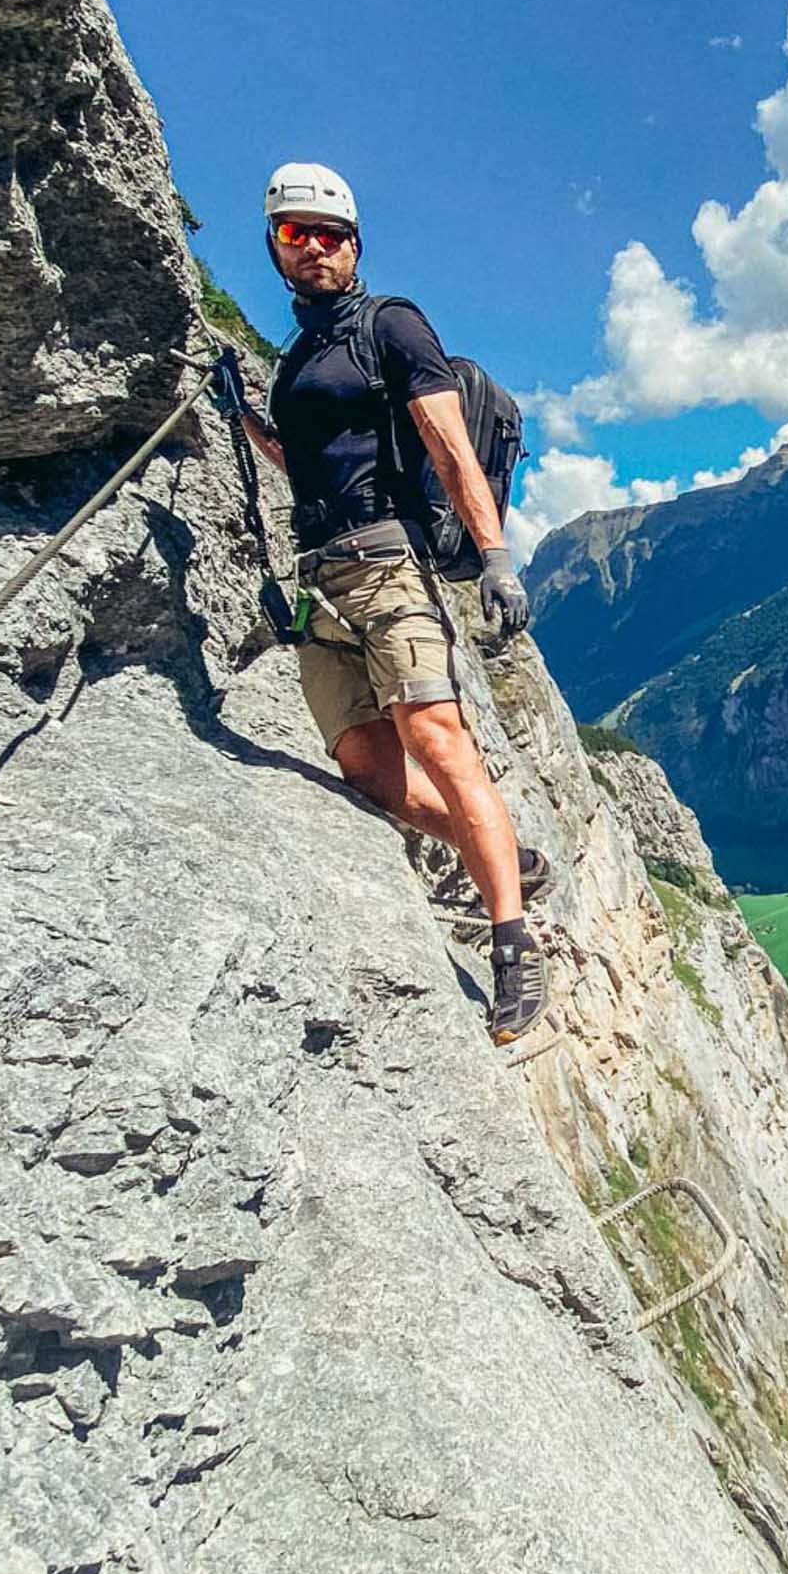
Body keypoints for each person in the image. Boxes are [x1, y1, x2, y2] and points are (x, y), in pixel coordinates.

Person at [217, 161, 548, 1045]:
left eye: (330, 234)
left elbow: (448, 447)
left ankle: (513, 939)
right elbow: (309, 470)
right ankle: (504, 858)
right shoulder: (297, 362)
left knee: (436, 739)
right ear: (277, 249)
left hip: (389, 565)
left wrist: (494, 560)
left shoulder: (390, 325)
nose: (315, 248)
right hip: (320, 575)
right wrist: (248, 422)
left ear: (354, 244)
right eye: (296, 234)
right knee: (365, 766)